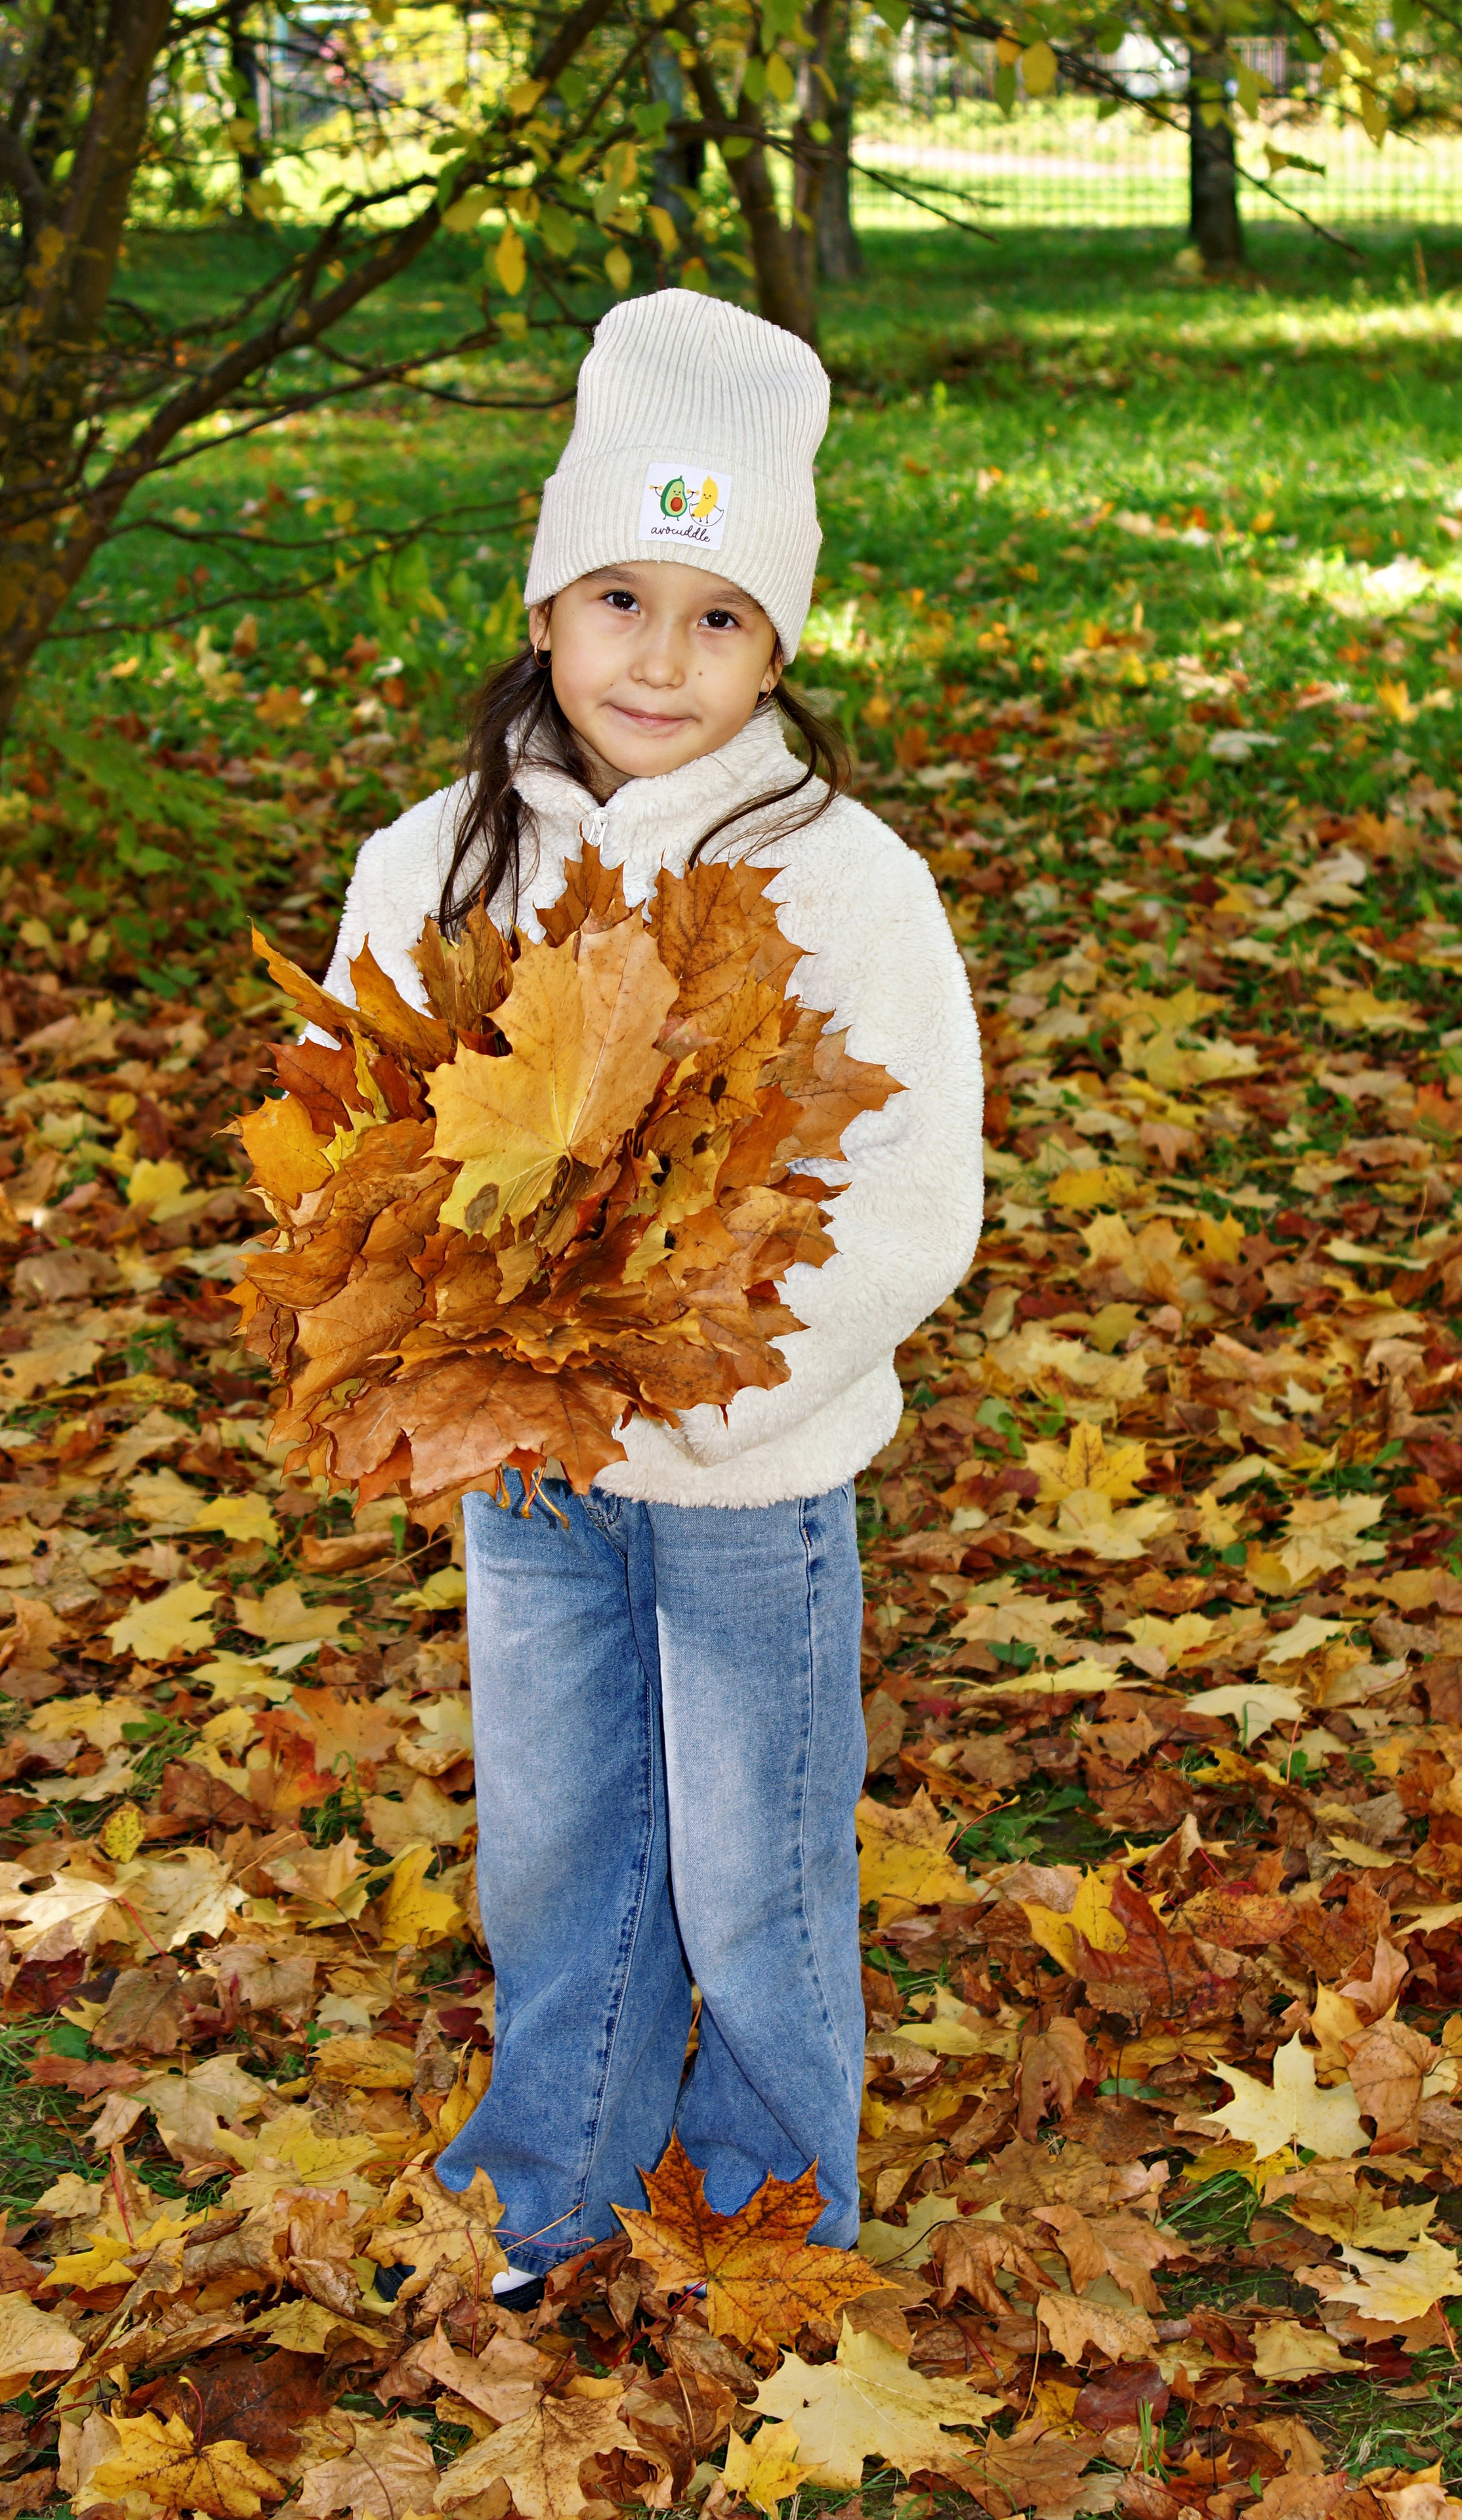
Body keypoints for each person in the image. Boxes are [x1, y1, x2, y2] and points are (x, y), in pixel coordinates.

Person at [318, 288, 984, 2309]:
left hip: (750, 1484)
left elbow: (913, 1200)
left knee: (753, 1871)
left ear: (779, 640)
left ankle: (774, 2204)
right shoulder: (432, 862)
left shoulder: (842, 876)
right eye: (619, 594)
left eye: (718, 614)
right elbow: (372, 1159)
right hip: (524, 1481)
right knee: (553, 1846)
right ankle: (555, 2177)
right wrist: (460, 1359)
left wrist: (701, 1387)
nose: (660, 658)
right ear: (542, 601)